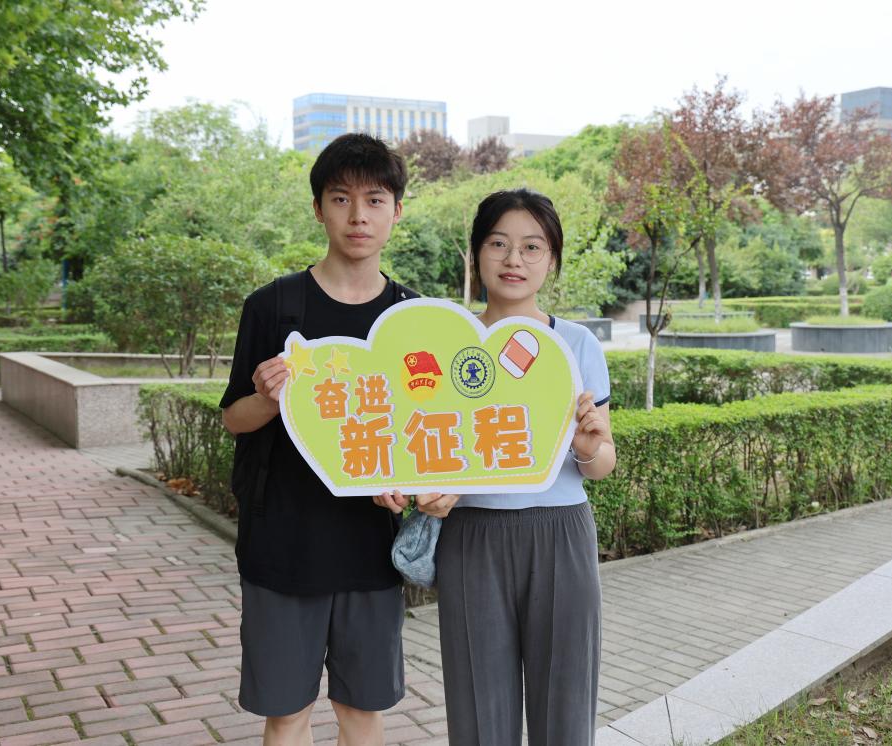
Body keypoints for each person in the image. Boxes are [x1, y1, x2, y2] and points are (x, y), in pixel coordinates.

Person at [375, 188, 617, 745]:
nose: (514, 260)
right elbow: (420, 439)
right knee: (479, 707)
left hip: (561, 535)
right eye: (498, 244)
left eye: (532, 247)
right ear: (476, 254)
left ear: (551, 260)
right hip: (472, 535)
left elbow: (601, 463)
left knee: (566, 702)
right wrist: (413, 487)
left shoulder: (576, 344)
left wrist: (588, 445)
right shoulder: (444, 343)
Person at [220, 133, 417, 746]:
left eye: (375, 200)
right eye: (340, 198)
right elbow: (234, 418)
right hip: (283, 543)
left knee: (363, 711)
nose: (358, 216)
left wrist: (410, 487)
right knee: (287, 714)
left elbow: (425, 436)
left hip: (371, 548)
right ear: (318, 209)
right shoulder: (273, 307)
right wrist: (268, 397)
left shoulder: (412, 319)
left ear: (396, 212)